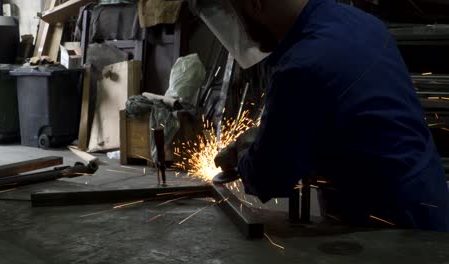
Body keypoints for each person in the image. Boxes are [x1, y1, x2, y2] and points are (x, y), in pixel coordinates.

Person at [191, 0, 449, 231]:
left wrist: (244, 157)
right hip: (428, 197)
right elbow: (343, 117)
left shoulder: (301, 66)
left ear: (255, 4)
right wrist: (266, 136)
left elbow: (268, 177)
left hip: (391, 228)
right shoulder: (361, 22)